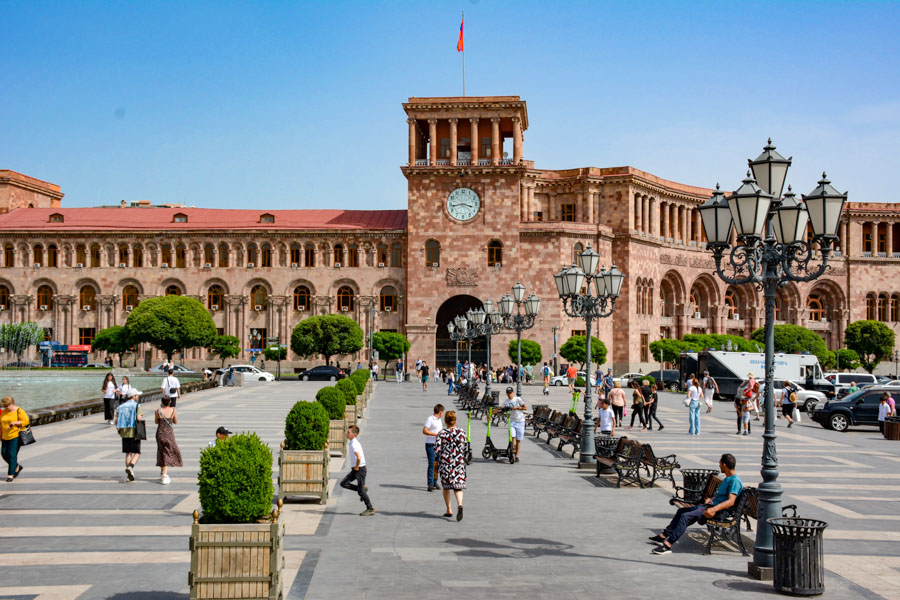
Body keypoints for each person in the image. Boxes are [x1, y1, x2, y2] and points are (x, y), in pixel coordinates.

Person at [649, 453, 742, 554]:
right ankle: (663, 536)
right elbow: (722, 496)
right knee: (681, 511)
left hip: (716, 512)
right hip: (709, 506)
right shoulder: (728, 479)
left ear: (724, 465)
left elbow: (731, 501)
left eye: (720, 463)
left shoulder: (735, 481)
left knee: (685, 516)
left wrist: (713, 509)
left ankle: (668, 545)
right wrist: (711, 499)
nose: (719, 465)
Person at [434, 410, 467, 521]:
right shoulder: (462, 432)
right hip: (458, 463)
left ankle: (449, 510)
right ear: (455, 420)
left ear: (445, 421)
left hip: (446, 463)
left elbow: (436, 449)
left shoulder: (442, 433)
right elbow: (465, 447)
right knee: (458, 487)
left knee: (446, 487)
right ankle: (460, 504)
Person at [341, 425, 374, 516]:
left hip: (360, 469)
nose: (346, 434)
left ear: (354, 435)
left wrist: (356, 467)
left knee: (360, 491)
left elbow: (358, 457)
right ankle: (362, 488)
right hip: (356, 469)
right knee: (343, 483)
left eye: (348, 432)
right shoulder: (352, 442)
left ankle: (370, 508)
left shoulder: (354, 444)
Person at [116, 389, 144, 482]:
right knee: (137, 452)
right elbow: (139, 418)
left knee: (128, 453)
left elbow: (116, 420)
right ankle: (131, 467)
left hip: (124, 431)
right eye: (137, 395)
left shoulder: (120, 407)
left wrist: (118, 429)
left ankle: (129, 475)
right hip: (134, 431)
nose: (138, 396)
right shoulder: (137, 406)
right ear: (134, 396)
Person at [155, 395, 182, 485]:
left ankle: (163, 472)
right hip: (169, 433)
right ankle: (165, 475)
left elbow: (156, 421)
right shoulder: (173, 410)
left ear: (162, 402)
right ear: (169, 401)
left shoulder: (158, 411)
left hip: (160, 433)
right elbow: (175, 421)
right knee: (168, 452)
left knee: (161, 451)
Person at [1, 396, 28, 482]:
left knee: (12, 455)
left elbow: (26, 421)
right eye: (4, 406)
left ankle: (10, 475)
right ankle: (17, 466)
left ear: (12, 404)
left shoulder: (19, 410)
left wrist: (16, 423)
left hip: (15, 435)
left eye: (7, 406)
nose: (5, 408)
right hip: (5, 436)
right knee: (4, 453)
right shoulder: (4, 411)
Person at [501, 387, 527, 462]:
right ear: (506, 394)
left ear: (513, 393)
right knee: (512, 437)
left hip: (520, 421)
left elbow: (525, 408)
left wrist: (517, 408)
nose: (510, 395)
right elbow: (500, 408)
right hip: (512, 421)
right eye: (508, 393)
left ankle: (517, 455)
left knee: (518, 440)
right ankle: (512, 452)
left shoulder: (518, 399)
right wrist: (490, 414)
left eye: (511, 393)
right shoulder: (506, 401)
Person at [423, 404, 444, 491]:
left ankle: (435, 481)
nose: (443, 414)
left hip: (438, 444)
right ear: (440, 412)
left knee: (437, 464)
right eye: (442, 412)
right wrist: (436, 434)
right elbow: (424, 431)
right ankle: (430, 483)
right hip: (430, 444)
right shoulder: (430, 419)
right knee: (431, 463)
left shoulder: (439, 420)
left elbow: (441, 429)